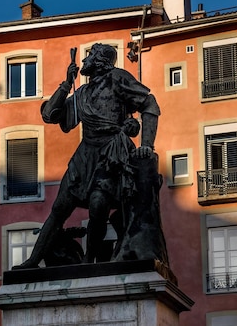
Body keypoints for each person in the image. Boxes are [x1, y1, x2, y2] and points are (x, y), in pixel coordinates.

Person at [13, 43, 160, 268]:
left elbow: (149, 103)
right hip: (85, 155)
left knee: (98, 204)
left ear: (100, 60)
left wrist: (147, 145)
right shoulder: (81, 93)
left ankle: (88, 260)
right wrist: (66, 85)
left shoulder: (117, 78)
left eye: (89, 55)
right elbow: (50, 116)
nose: (84, 60)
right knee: (59, 208)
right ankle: (33, 260)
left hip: (111, 152)